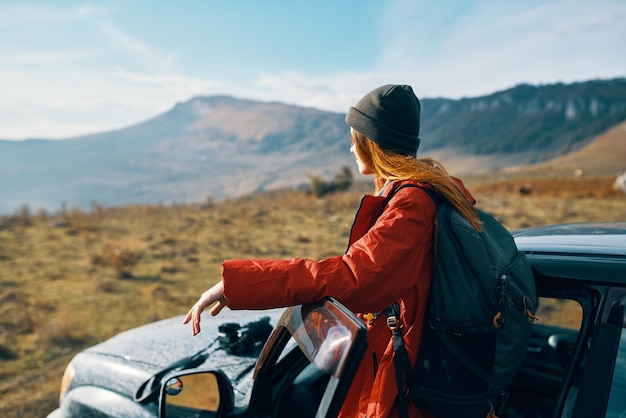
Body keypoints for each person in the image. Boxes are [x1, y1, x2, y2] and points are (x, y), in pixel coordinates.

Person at [184, 84, 481, 417]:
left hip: (403, 378)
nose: (351, 148)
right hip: (403, 361)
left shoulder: (411, 205)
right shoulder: (423, 193)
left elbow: (353, 278)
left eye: (355, 138)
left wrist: (237, 284)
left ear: (373, 142)